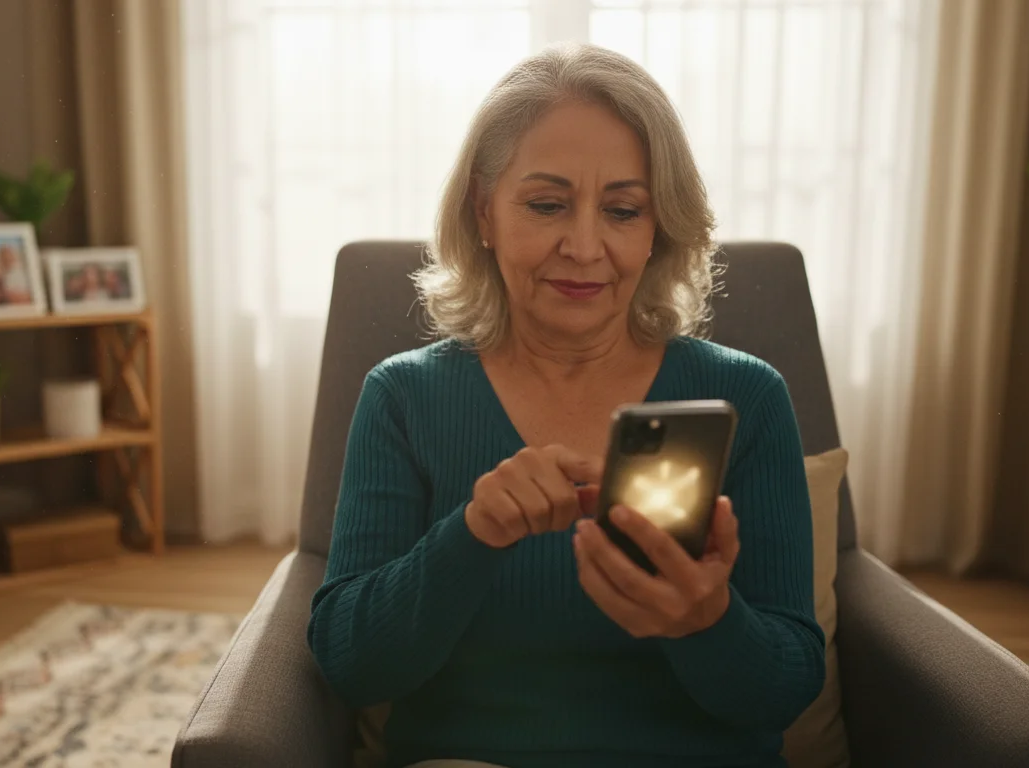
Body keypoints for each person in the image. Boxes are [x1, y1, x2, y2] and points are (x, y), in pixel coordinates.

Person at [308, 43, 823, 768]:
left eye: (622, 210)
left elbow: (786, 688)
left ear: (658, 229)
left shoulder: (747, 397)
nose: (584, 247)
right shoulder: (404, 396)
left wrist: (708, 621)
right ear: (484, 211)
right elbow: (352, 667)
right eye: (547, 204)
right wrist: (472, 534)